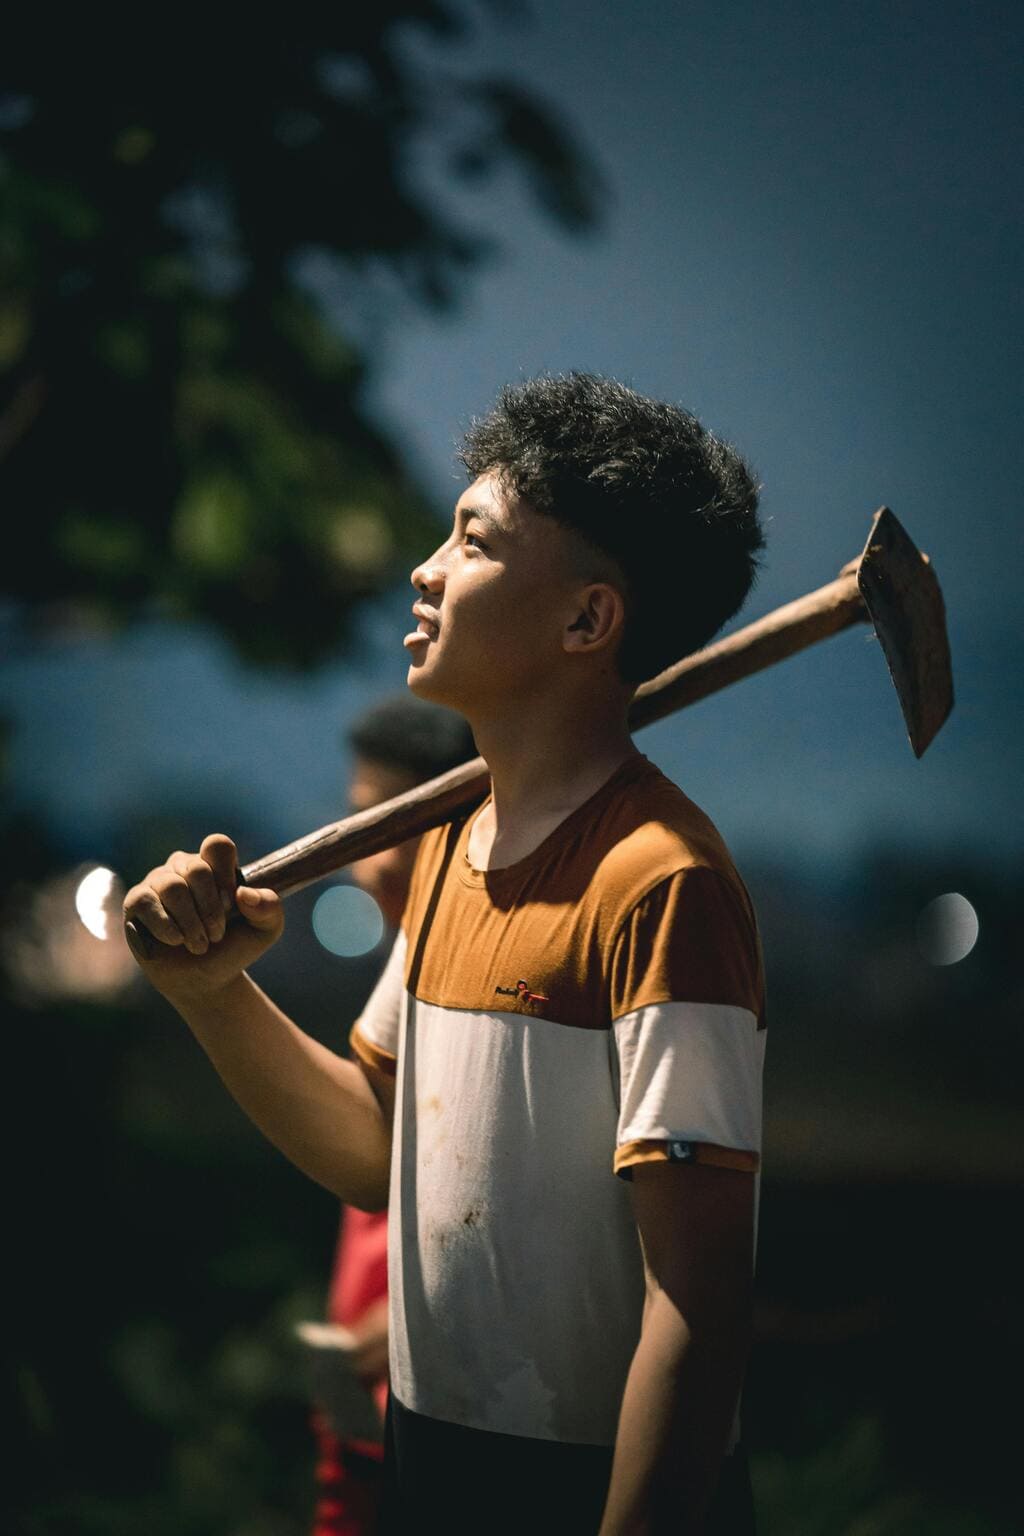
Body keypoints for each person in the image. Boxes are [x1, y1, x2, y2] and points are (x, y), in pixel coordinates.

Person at [124, 372, 767, 1534]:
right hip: (430, 1470)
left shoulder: (661, 884)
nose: (424, 570)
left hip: (583, 1491)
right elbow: (377, 1153)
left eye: (472, 543)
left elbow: (697, 1304)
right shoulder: (460, 847)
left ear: (586, 622)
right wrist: (214, 995)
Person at [307, 694, 475, 1536]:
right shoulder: (402, 974)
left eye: (387, 824)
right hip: (369, 1406)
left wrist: (415, 1310)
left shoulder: (479, 982)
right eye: (355, 823)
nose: (363, 858)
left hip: (444, 1411)